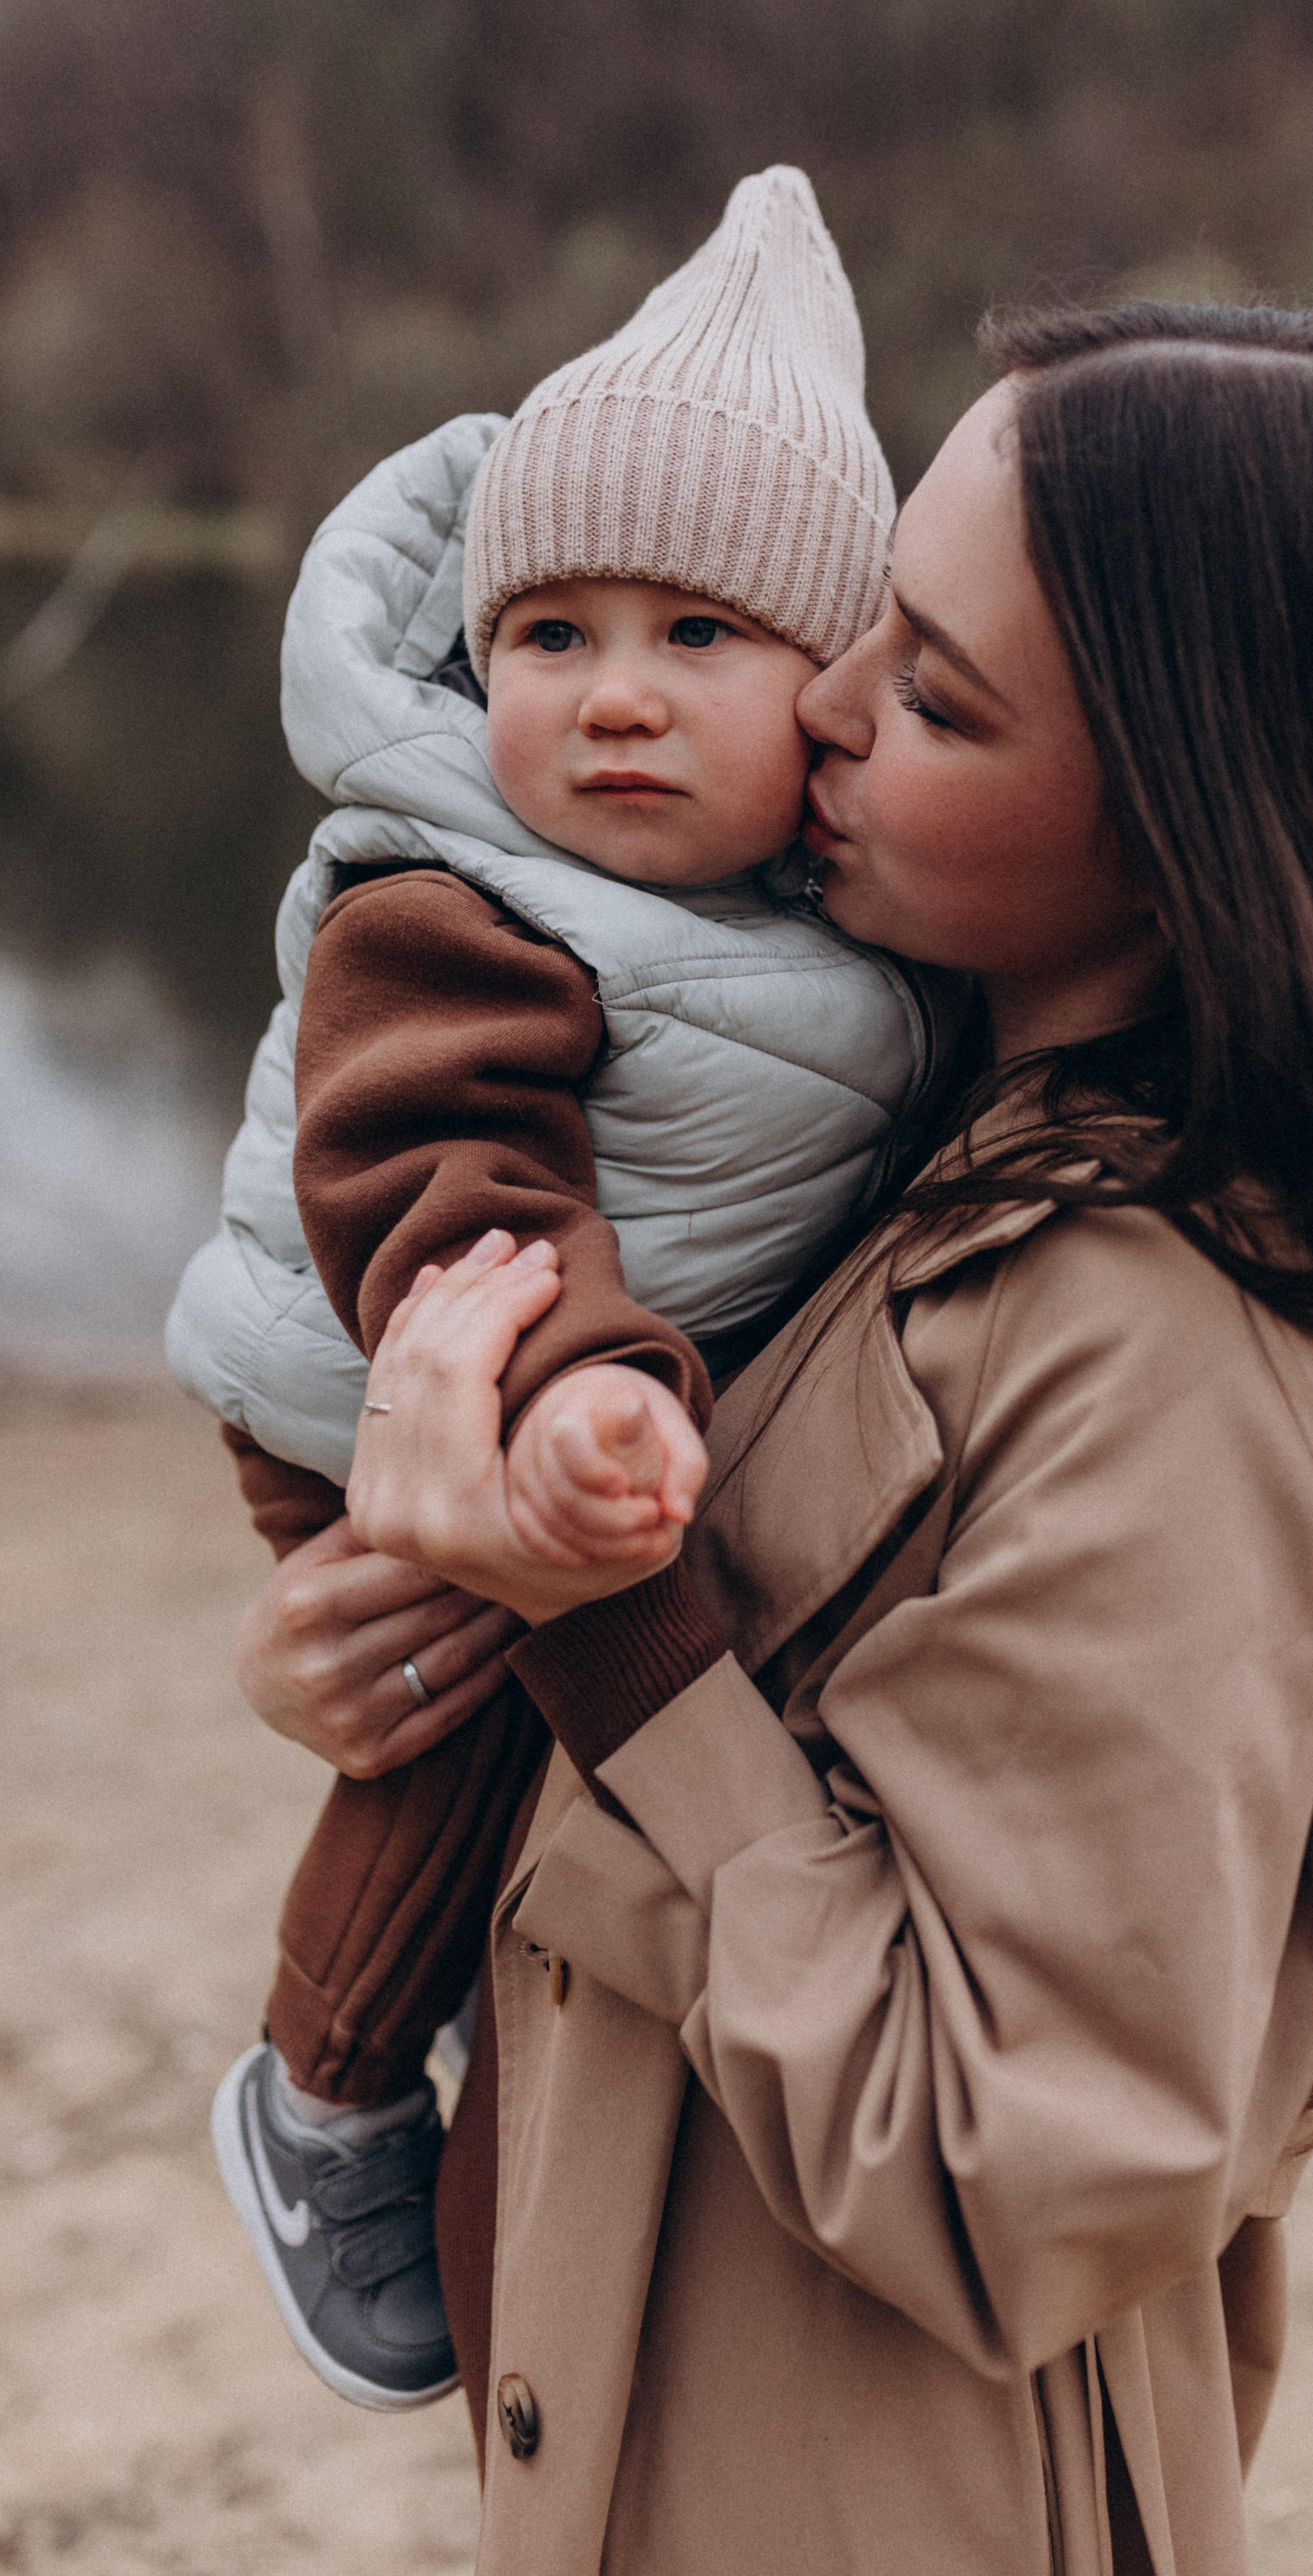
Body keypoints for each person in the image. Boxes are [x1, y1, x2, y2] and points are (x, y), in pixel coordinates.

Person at [235, 300, 1313, 2573]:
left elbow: (1008, 2158)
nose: (820, 704)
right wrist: (389, 1651)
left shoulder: (1164, 1360)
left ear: (1194, 827)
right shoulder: (912, 1140)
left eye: (931, 692)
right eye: (872, 630)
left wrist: (604, 1639)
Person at [166, 168, 957, 2410]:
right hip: (397, 1374)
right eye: (552, 636)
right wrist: (572, 1396)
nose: (614, 699)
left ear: (837, 684)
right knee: (465, 1699)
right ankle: (322, 2091)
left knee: (563, 1735)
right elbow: (443, 1179)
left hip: (577, 1383)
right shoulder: (454, 905)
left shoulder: (832, 926)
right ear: (475, 657)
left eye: (699, 638)